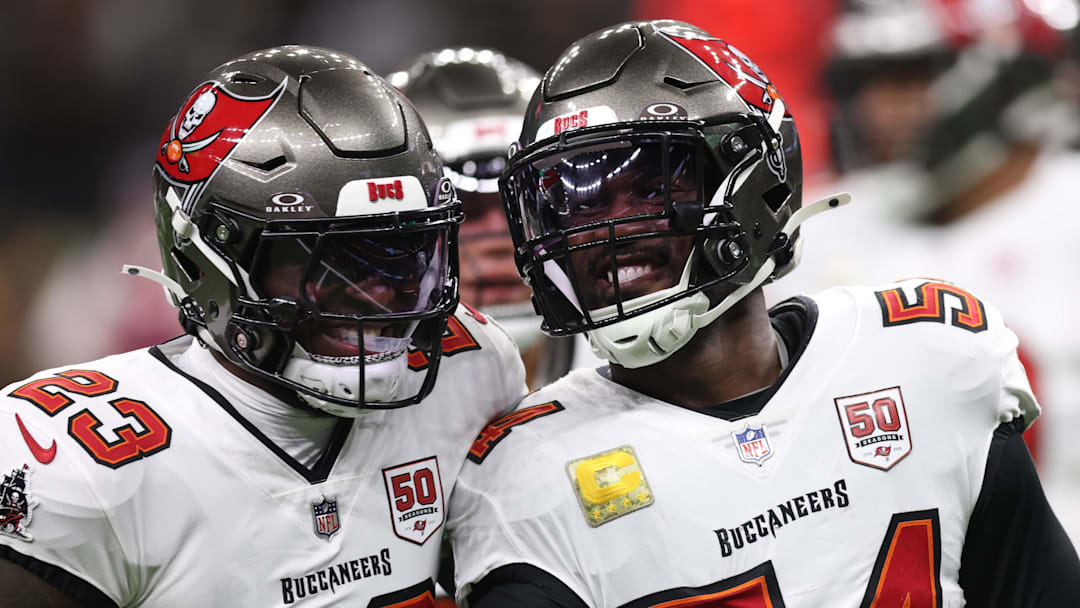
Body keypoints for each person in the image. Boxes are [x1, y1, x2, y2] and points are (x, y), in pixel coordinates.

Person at [446, 19, 1080, 607]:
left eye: (649, 185)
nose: (604, 232)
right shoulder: (522, 479)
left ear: (758, 180)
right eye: (573, 200)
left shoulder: (926, 362)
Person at [0, 45, 525, 607]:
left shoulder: (471, 373)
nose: (376, 292)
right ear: (208, 256)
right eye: (327, 260)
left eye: (399, 250)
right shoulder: (70, 458)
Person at [770, 0, 1080, 546]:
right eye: (865, 83)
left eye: (913, 78)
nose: (878, 110)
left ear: (1005, 74)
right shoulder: (817, 231)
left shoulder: (1066, 212)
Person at [389, 48, 602, 389]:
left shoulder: (627, 368)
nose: (500, 237)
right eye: (463, 207)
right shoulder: (368, 389)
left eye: (520, 201)